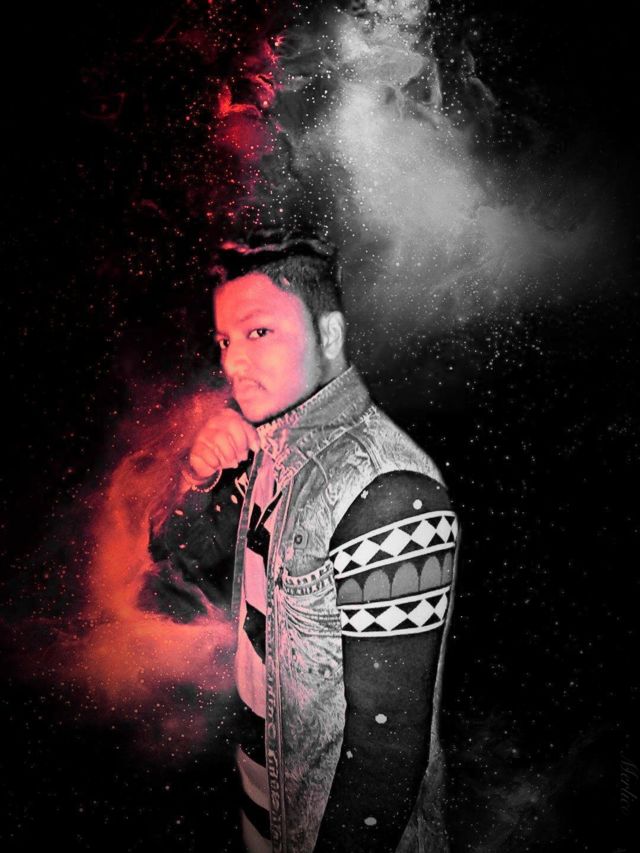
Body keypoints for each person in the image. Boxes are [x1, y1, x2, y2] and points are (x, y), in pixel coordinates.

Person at [147, 238, 460, 853]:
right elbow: (176, 558)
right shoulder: (268, 445)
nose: (234, 362)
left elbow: (387, 748)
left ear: (330, 335)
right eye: (225, 341)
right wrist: (198, 475)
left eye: (259, 332)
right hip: (264, 801)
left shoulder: (389, 492)